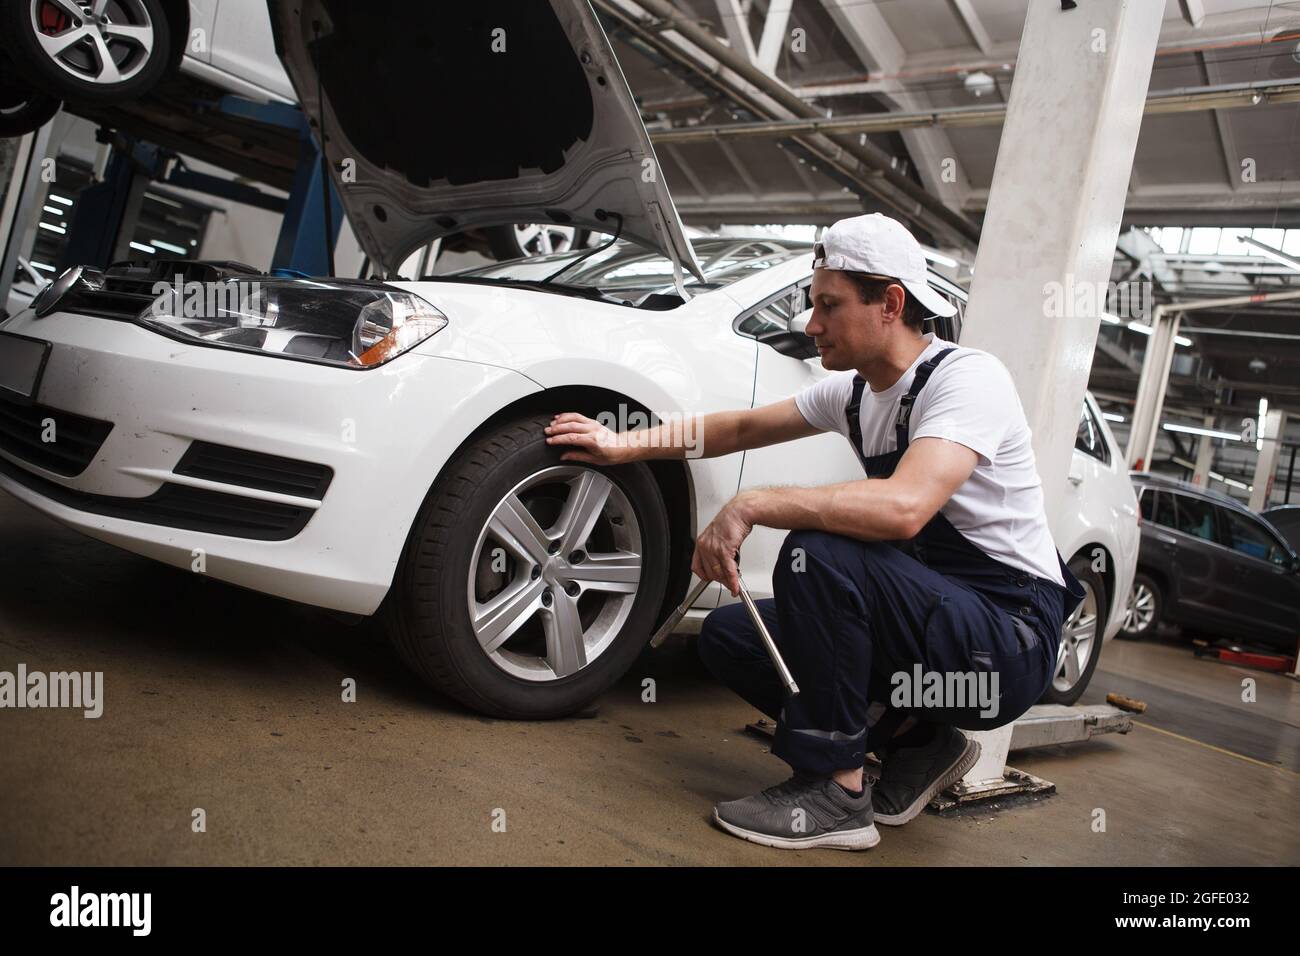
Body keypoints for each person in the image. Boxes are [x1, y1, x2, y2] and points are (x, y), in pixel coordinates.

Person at [544, 213, 1084, 851]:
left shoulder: (965, 379)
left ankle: (837, 791)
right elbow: (739, 428)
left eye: (829, 305)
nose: (811, 324)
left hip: (1006, 641)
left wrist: (752, 504)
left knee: (820, 554)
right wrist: (624, 443)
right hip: (938, 626)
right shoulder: (853, 395)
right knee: (732, 638)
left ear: (891, 304)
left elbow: (905, 507)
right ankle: (918, 741)